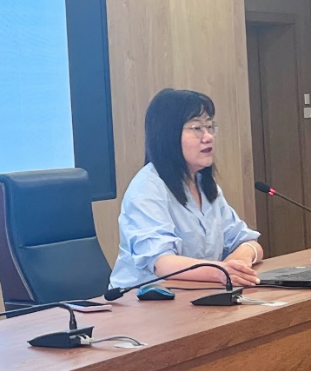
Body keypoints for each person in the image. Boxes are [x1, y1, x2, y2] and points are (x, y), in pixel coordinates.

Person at [109, 88, 263, 290]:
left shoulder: (205, 185)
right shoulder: (147, 188)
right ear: (168, 136)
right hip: (143, 300)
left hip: (195, 295)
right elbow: (162, 263)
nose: (208, 137)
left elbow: (249, 242)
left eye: (209, 126)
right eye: (196, 128)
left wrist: (240, 261)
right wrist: (220, 271)